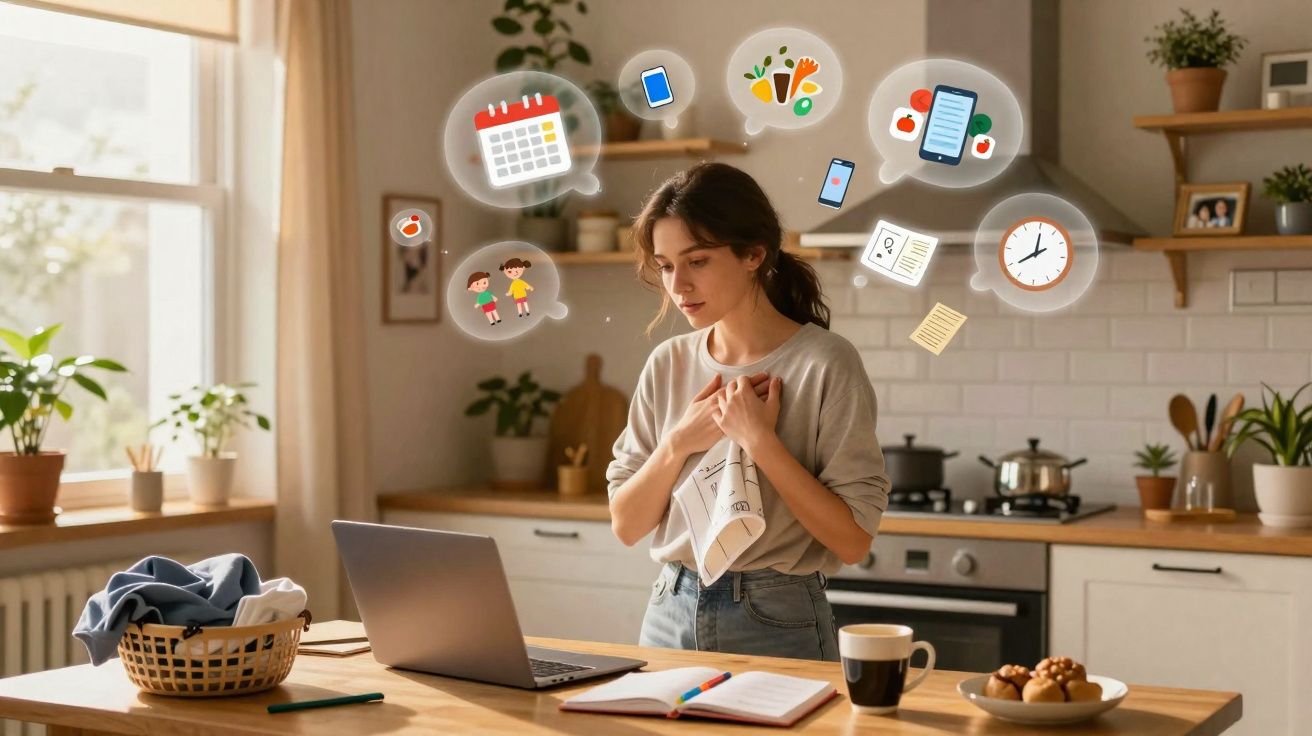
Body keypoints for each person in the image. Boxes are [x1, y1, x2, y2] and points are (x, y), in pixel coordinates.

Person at [606, 162, 889, 662]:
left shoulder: (825, 363)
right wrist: (679, 443)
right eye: (667, 266)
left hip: (777, 617)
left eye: (698, 261)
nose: (679, 285)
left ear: (754, 254)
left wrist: (761, 441)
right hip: (669, 609)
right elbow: (627, 525)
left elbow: (851, 541)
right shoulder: (667, 363)